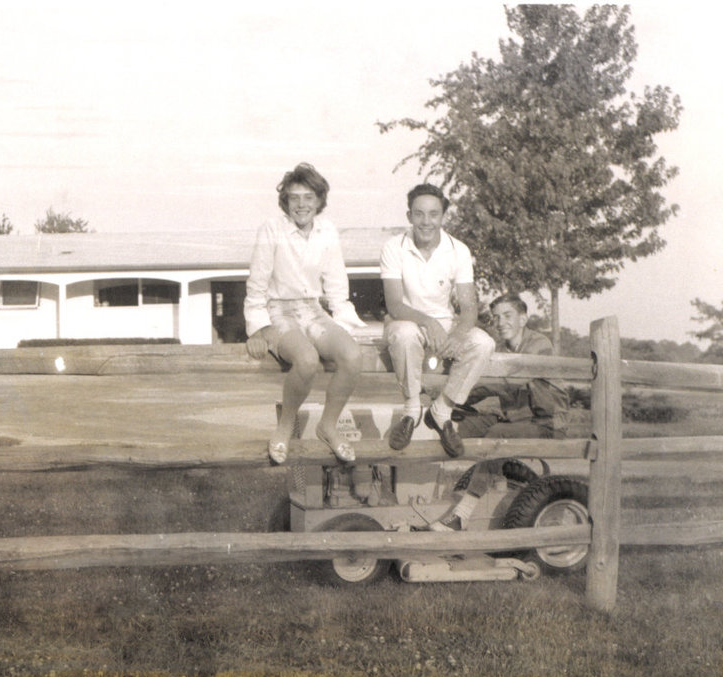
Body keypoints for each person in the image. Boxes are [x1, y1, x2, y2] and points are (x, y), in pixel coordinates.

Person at [244, 163, 364, 465]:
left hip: (312, 310)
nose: (301, 205)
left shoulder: (327, 231)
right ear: (285, 201)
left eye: (308, 197)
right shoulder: (272, 229)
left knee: (352, 356)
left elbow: (336, 284)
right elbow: (257, 283)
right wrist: (258, 329)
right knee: (307, 360)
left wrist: (344, 324)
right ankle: (285, 428)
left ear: (319, 200)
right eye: (294, 197)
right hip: (278, 311)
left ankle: (328, 425)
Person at [380, 183, 495, 458]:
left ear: (443, 216)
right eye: (419, 214)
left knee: (483, 343)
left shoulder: (459, 250)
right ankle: (411, 410)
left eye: (433, 214)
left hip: (444, 325)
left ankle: (442, 410)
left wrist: (457, 335)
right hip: (406, 321)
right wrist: (427, 322)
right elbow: (395, 304)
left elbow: (468, 309)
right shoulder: (394, 247)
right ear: (409, 216)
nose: (426, 222)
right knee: (405, 335)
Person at [456, 292, 569, 439]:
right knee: (465, 425)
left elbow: (507, 382)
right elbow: (484, 383)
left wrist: (462, 394)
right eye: (496, 317)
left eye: (507, 316)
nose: (501, 323)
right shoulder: (500, 350)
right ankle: (461, 462)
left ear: (522, 320)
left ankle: (490, 463)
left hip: (548, 424)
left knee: (498, 433)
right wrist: (455, 398)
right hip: (515, 421)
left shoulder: (539, 344)